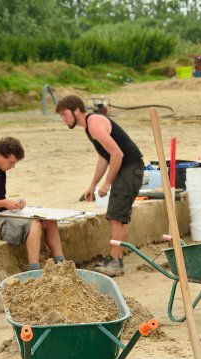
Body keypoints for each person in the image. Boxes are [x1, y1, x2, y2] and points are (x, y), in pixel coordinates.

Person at [55, 94, 144, 277]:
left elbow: (117, 155)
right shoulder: (89, 127)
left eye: (65, 115)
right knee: (118, 216)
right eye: (61, 116)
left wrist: (106, 184)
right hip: (126, 169)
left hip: (129, 169)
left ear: (77, 110)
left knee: (115, 217)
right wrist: (93, 185)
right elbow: (104, 156)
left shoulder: (94, 123)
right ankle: (116, 259)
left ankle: (114, 261)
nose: (63, 120)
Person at [0, 137, 64, 271]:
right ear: (0, 155)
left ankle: (62, 265)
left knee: (49, 221)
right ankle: (34, 271)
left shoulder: (1, 171)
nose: (13, 166)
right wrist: (5, 203)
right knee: (34, 224)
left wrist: (14, 204)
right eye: (11, 162)